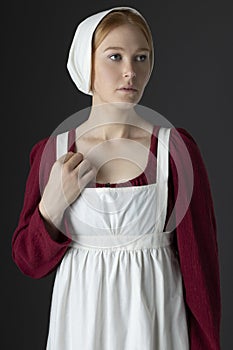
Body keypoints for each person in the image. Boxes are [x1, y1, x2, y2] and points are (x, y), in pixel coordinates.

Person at [12, 6, 221, 350]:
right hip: (79, 326)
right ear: (86, 63)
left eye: (141, 57)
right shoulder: (53, 153)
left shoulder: (175, 151)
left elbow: (202, 275)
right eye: (115, 57)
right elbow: (28, 262)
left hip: (156, 326)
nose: (130, 72)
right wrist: (50, 208)